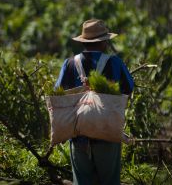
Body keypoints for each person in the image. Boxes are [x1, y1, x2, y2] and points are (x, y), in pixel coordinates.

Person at [55, 19, 134, 185]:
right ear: (104, 42)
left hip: (78, 136)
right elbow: (128, 89)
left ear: (84, 42)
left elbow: (58, 94)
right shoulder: (115, 63)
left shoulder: (69, 64)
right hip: (108, 134)